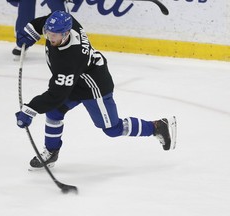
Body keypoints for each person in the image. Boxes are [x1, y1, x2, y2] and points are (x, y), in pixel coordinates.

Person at [15, 11, 177, 169]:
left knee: (113, 129)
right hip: (76, 81)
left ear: (66, 34)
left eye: (55, 35)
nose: (50, 38)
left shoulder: (71, 58)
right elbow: (46, 21)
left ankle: (157, 126)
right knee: (54, 113)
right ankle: (51, 152)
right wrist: (31, 31)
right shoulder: (65, 24)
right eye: (47, 33)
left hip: (94, 87)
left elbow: (56, 95)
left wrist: (31, 109)